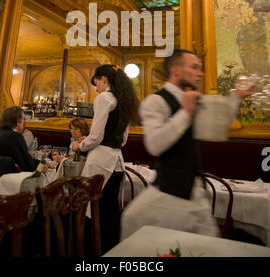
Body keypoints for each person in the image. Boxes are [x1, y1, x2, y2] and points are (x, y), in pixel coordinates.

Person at [120, 49, 254, 240]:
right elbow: (155, 145)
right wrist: (186, 112)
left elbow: (220, 121)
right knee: (132, 221)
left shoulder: (194, 99)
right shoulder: (155, 101)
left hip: (192, 188)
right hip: (170, 188)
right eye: (194, 67)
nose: (200, 73)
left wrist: (237, 96)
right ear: (176, 71)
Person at [71, 64, 139, 253]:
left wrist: (80, 144)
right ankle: (111, 252)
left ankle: (89, 254)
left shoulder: (104, 98)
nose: (96, 88)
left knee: (92, 213)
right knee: (110, 214)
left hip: (100, 164)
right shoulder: (124, 100)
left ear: (104, 79)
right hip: (117, 164)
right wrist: (94, 140)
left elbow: (96, 137)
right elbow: (123, 139)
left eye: (96, 83)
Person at [0, 106, 53, 172]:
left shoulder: (0, 134)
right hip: (15, 178)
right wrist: (41, 167)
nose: (25, 122)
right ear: (18, 122)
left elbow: (24, 159)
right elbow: (28, 167)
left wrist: (40, 162)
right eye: (24, 119)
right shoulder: (16, 137)